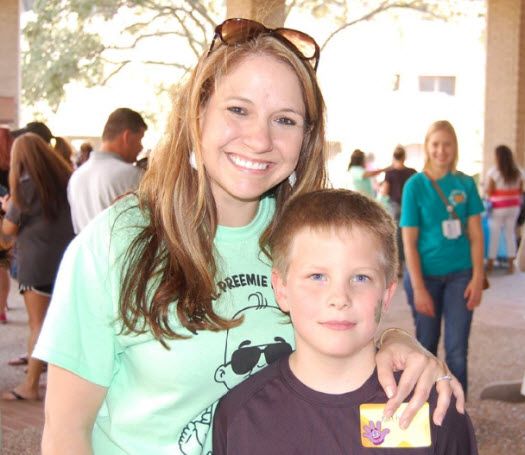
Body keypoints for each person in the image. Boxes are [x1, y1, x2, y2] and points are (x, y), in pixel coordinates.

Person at [34, 19, 462, 454]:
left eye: (285, 119)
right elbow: (65, 433)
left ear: (306, 138)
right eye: (238, 110)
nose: (260, 139)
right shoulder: (117, 243)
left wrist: (397, 341)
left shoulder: (306, 238)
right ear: (197, 113)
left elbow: (342, 324)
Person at [213, 189, 477, 454]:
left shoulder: (434, 406)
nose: (339, 298)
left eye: (360, 278)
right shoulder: (240, 416)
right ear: (281, 290)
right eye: (317, 276)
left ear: (386, 296)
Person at [401, 120, 485, 395]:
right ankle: (424, 407)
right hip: (424, 277)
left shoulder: (465, 184)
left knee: (457, 349)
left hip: (461, 275)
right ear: (427, 147)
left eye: (447, 144)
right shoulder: (414, 185)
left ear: (455, 147)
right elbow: (409, 242)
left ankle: (457, 413)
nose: (441, 150)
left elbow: (475, 235)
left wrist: (477, 276)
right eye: (435, 144)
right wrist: (419, 288)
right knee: (425, 346)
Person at [0, 133, 75, 401]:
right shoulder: (67, 180)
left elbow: (8, 229)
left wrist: (7, 207)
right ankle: (58, 381)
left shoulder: (26, 187)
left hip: (36, 262)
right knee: (61, 323)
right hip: (66, 259)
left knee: (37, 325)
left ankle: (30, 385)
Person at [67, 107, 147, 233]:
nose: (141, 147)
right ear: (126, 136)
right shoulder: (131, 175)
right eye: (140, 139)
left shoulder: (76, 177)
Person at [485, 144, 524, 274]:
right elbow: (521, 189)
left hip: (498, 208)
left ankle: (490, 266)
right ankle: (511, 266)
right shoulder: (518, 171)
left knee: (494, 236)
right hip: (514, 207)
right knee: (510, 234)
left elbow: (489, 191)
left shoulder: (494, 171)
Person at [384, 145, 417, 276]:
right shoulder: (412, 172)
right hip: (409, 206)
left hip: (394, 206)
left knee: (395, 236)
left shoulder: (390, 173)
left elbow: (385, 191)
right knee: (410, 235)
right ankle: (410, 264)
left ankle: (398, 267)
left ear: (394, 157)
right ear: (404, 157)